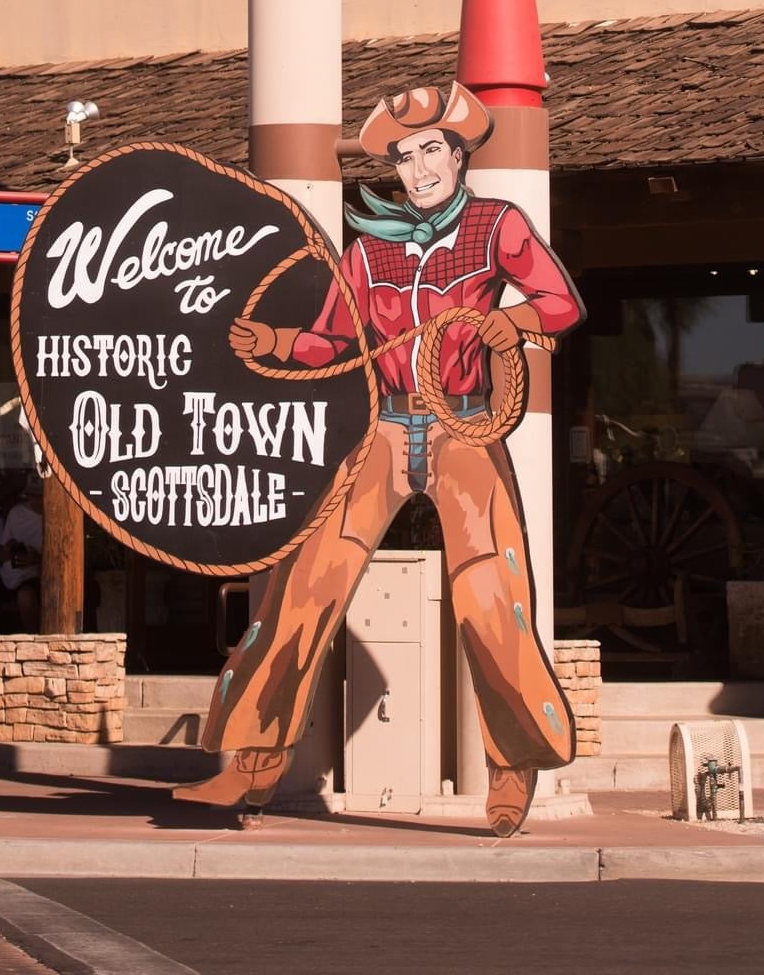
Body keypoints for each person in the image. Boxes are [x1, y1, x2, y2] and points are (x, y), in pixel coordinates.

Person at [175, 80, 586, 837]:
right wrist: (273, 344)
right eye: (405, 155)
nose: (419, 166)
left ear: (458, 154)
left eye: (431, 149)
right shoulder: (369, 253)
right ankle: (251, 763)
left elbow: (558, 301)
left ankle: (511, 769)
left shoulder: (497, 226)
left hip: (464, 426)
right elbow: (335, 344)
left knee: (490, 596)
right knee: (303, 584)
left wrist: (512, 321)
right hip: (384, 429)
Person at [0, 476, 44, 633]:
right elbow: (3, 548)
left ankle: (34, 642)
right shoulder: (17, 513)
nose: (36, 500)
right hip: (9, 575)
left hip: (38, 577)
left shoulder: (56, 516)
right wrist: (11, 549)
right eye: (33, 495)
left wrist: (36, 558)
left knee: (26, 596)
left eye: (40, 495)